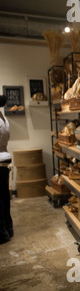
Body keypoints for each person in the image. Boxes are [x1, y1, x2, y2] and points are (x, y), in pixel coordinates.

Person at [0, 95, 12, 244]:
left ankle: (2, 232)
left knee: (0, 198)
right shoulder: (3, 117)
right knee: (4, 196)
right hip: (4, 158)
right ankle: (8, 228)